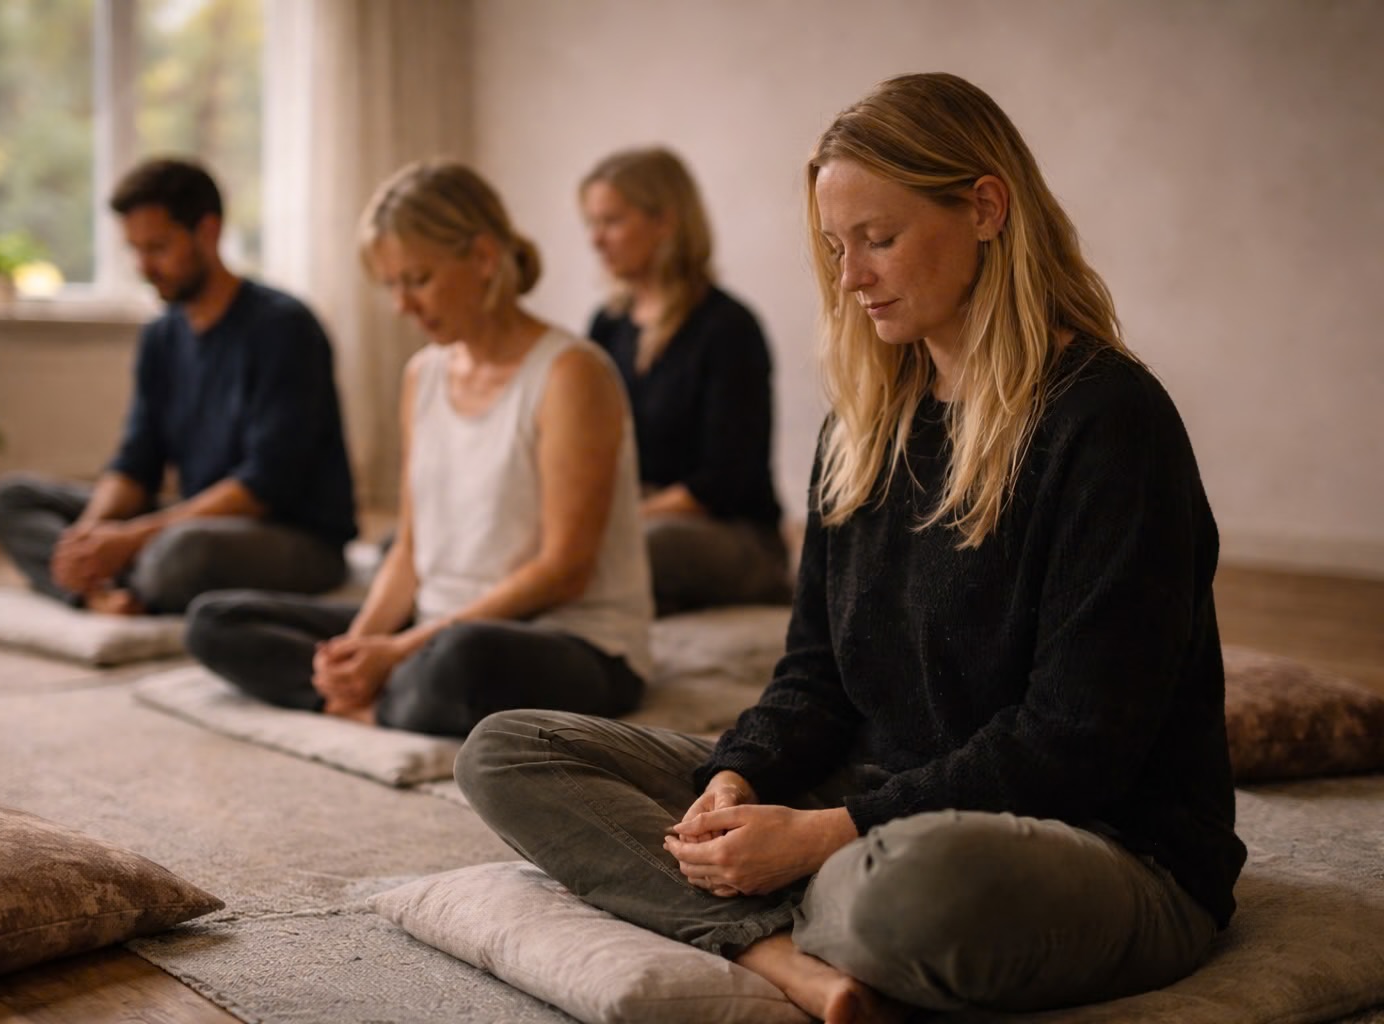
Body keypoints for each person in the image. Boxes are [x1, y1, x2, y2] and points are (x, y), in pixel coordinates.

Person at [458, 73, 1246, 1023]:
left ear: (987, 208)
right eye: (835, 247)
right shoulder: (865, 424)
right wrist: (736, 780)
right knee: (509, 751)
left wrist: (822, 836)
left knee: (906, 893)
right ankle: (789, 950)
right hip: (877, 804)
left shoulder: (1110, 421)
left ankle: (769, 914)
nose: (849, 277)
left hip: (1095, 843)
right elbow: (815, 677)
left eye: (879, 239)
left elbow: (1077, 745)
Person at [182, 161, 652, 737]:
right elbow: (409, 547)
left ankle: (382, 699)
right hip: (432, 626)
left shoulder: (572, 375)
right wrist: (359, 647)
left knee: (459, 662)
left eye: (418, 279)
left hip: (565, 639)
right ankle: (368, 695)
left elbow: (564, 572)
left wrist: (403, 649)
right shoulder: (422, 375)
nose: (402, 305)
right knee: (215, 621)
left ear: (482, 258)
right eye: (390, 285)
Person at [0, 157, 357, 616]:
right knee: (11, 500)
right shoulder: (160, 336)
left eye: (157, 248)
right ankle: (96, 587)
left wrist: (134, 538)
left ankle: (118, 582)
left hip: (292, 537)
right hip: (193, 518)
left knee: (180, 554)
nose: (144, 266)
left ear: (208, 232)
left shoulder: (285, 328)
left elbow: (265, 487)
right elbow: (137, 462)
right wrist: (91, 534)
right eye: (134, 250)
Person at [580, 147, 791, 615]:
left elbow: (724, 481)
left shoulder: (728, 327)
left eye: (612, 221)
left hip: (731, 533)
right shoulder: (607, 325)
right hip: (634, 515)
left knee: (640, 545)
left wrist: (618, 522)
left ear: (665, 222)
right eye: (591, 224)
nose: (596, 239)